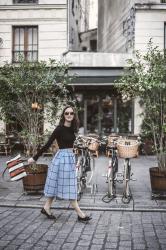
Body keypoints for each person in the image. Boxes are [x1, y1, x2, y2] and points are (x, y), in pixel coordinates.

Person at [28, 105, 92, 222]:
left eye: (71, 113)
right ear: (63, 115)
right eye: (66, 113)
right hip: (61, 159)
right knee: (70, 185)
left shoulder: (73, 129)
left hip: (70, 158)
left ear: (74, 115)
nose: (69, 115)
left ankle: (46, 207)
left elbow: (71, 143)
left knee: (57, 183)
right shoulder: (59, 129)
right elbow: (47, 144)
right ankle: (80, 214)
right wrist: (35, 158)